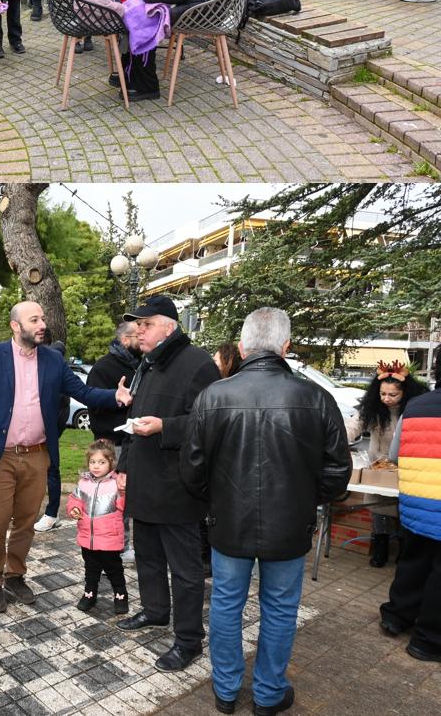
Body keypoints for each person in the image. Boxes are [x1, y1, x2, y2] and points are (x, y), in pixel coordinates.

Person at [182, 307, 349, 715]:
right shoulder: (315, 398)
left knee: (225, 603)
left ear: (242, 347)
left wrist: (217, 501)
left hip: (230, 524)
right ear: (286, 347)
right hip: (288, 525)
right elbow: (337, 473)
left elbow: (192, 470)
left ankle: (226, 691)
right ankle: (268, 694)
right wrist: (305, 500)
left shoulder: (214, 396)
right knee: (278, 608)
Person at [0, 301, 124, 613]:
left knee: (26, 522)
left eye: (42, 318)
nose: (42, 324)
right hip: (0, 455)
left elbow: (84, 393)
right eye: (34, 319)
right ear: (15, 325)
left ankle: (15, 574)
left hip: (38, 454)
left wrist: (113, 396)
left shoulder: (52, 359)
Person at [115, 294, 221, 671]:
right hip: (143, 479)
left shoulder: (199, 365)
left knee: (186, 570)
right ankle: (156, 610)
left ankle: (189, 640)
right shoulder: (149, 363)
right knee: (147, 556)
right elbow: (136, 420)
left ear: (168, 327)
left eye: (145, 324)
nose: (137, 331)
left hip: (178, 486)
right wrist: (123, 465)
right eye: (137, 325)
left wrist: (167, 427)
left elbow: (209, 423)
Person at [384, 372, 441, 662]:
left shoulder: (415, 406)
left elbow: (395, 454)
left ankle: (396, 616)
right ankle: (428, 641)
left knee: (413, 560)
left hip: (415, 499)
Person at [350, 363, 427, 568]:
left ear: (405, 392)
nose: (386, 399)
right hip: (379, 467)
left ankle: (404, 550)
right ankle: (380, 549)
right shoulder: (372, 409)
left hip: (407, 469)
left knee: (405, 510)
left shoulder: (413, 410)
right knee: (377, 507)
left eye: (393, 395)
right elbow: (353, 426)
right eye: (383, 394)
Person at [68, 441, 129, 615]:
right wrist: (74, 508)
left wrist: (124, 493)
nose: (96, 466)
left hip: (110, 537)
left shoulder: (117, 483)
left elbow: (125, 506)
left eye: (101, 462)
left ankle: (120, 594)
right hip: (88, 537)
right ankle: (90, 594)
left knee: (114, 569)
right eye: (93, 462)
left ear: (111, 462)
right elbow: (75, 499)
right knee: (91, 569)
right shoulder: (83, 483)